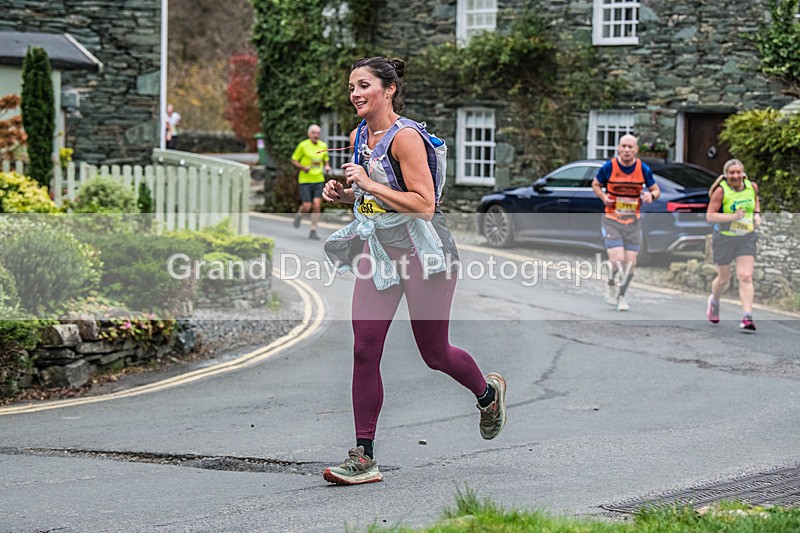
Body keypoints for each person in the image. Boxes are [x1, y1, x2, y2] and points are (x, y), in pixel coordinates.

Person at [320, 57, 507, 485]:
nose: (354, 93)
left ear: (388, 90)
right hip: (382, 251)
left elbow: (424, 204)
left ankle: (487, 393)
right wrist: (344, 193)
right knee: (364, 348)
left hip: (426, 253)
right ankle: (363, 457)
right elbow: (373, 198)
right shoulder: (359, 136)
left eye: (363, 85)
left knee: (434, 353)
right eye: (351, 86)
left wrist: (368, 185)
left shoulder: (406, 139)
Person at [592, 134, 661, 311]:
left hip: (632, 221)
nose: (627, 150)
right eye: (624, 146)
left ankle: (621, 296)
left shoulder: (643, 169)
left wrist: (650, 195)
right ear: (618, 148)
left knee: (631, 263)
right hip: (612, 219)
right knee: (617, 259)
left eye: (630, 147)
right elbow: (596, 184)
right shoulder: (609, 167)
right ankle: (610, 284)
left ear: (636, 150)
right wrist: (603, 196)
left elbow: (655, 189)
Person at [705, 159, 761, 332]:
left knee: (745, 276)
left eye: (738, 172)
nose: (735, 176)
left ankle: (747, 317)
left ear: (743, 173)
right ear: (726, 175)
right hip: (724, 237)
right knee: (723, 279)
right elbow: (710, 216)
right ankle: (714, 302)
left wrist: (757, 215)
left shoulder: (752, 186)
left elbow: (755, 200)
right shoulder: (721, 191)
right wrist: (732, 217)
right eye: (732, 173)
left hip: (746, 236)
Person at [291, 124, 331, 240]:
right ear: (309, 134)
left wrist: (327, 167)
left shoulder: (323, 146)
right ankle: (300, 212)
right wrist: (303, 168)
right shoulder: (303, 145)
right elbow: (294, 160)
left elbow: (325, 161)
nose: (316, 135)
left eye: (318, 133)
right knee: (307, 206)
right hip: (305, 180)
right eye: (313, 133)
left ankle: (313, 230)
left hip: (318, 179)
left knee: (317, 205)